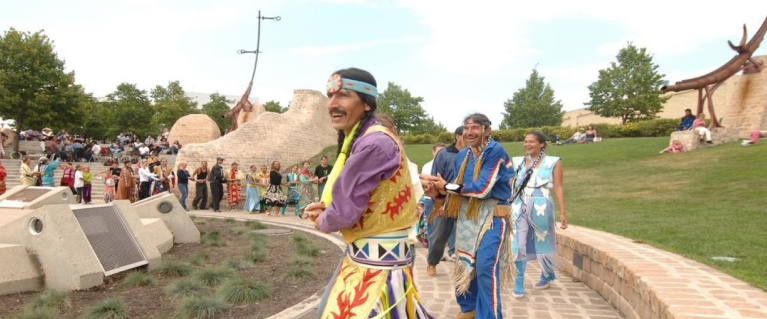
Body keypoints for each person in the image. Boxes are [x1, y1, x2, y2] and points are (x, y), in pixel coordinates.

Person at [305, 68, 431, 319]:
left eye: (343, 95)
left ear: (366, 104)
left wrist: (322, 220)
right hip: (369, 257)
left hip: (375, 266)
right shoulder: (366, 139)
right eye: (330, 96)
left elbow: (344, 212)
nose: (332, 104)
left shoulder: (373, 143)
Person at [421, 113, 514, 319]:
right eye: (466, 127)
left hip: (492, 216)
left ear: (487, 131)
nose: (469, 132)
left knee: (485, 268)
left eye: (475, 127)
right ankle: (469, 309)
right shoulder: (463, 155)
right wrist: (436, 191)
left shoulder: (494, 151)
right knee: (464, 263)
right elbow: (456, 188)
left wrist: (446, 186)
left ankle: (488, 316)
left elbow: (482, 189)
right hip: (467, 216)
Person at [510, 131, 568, 299]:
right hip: (519, 205)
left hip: (541, 204)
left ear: (541, 144)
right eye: (525, 141)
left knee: (543, 239)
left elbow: (558, 187)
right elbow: (511, 184)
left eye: (531, 142)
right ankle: (518, 281)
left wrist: (563, 213)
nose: (527, 144)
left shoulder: (553, 162)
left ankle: (546, 274)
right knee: (517, 243)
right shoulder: (518, 162)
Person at [424, 127, 465, 277]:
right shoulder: (444, 154)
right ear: (457, 137)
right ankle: (432, 262)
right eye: (464, 134)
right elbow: (435, 177)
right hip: (445, 198)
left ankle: (467, 266)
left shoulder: (473, 153)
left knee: (467, 234)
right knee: (439, 235)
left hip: (467, 198)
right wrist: (439, 202)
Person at [418, 142, 445, 252]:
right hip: (430, 199)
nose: (439, 154)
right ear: (433, 152)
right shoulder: (427, 166)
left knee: (444, 224)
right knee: (431, 223)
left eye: (442, 152)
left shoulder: (447, 163)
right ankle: (432, 248)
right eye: (438, 151)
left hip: (444, 197)